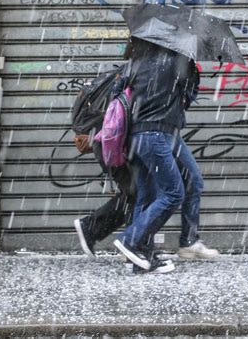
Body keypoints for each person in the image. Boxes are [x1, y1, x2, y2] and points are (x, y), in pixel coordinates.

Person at [75, 38, 218, 273]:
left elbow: (116, 99)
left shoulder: (136, 64)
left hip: (137, 136)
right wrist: (190, 73)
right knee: (173, 193)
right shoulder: (179, 63)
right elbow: (187, 98)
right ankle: (132, 239)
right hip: (158, 133)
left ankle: (141, 258)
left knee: (147, 193)